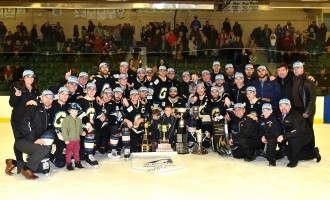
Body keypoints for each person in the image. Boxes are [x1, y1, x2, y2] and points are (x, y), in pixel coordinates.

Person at [5, 90, 54, 180]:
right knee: (45, 150)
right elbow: (25, 124)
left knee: (40, 168)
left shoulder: (46, 111)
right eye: (46, 97)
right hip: (23, 139)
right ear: (41, 98)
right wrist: (34, 139)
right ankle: (26, 169)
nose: (48, 100)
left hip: (31, 141)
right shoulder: (33, 107)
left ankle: (13, 163)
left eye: (51, 98)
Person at [277, 98, 321, 168]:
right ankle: (311, 152)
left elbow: (297, 131)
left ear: (290, 106)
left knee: (293, 139)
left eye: (286, 105)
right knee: (289, 154)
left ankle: (295, 161)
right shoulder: (280, 115)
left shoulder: (295, 115)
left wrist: (283, 136)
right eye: (281, 106)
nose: (283, 108)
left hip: (304, 135)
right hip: (292, 134)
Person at [9, 70, 40, 162]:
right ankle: (19, 162)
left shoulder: (35, 89)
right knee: (19, 140)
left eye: (32, 76)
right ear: (23, 78)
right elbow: (12, 103)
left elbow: (38, 102)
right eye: (28, 76)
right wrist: (16, 96)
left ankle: (29, 157)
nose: (30, 78)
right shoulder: (17, 88)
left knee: (29, 138)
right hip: (18, 119)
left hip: (30, 119)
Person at [61, 103, 84, 171]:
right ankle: (68, 163)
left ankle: (77, 162)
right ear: (69, 111)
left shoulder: (79, 120)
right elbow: (64, 129)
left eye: (76, 111)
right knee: (69, 152)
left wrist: (82, 132)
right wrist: (66, 139)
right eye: (72, 111)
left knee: (77, 152)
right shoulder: (66, 119)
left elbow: (80, 129)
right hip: (70, 140)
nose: (74, 113)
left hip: (77, 139)